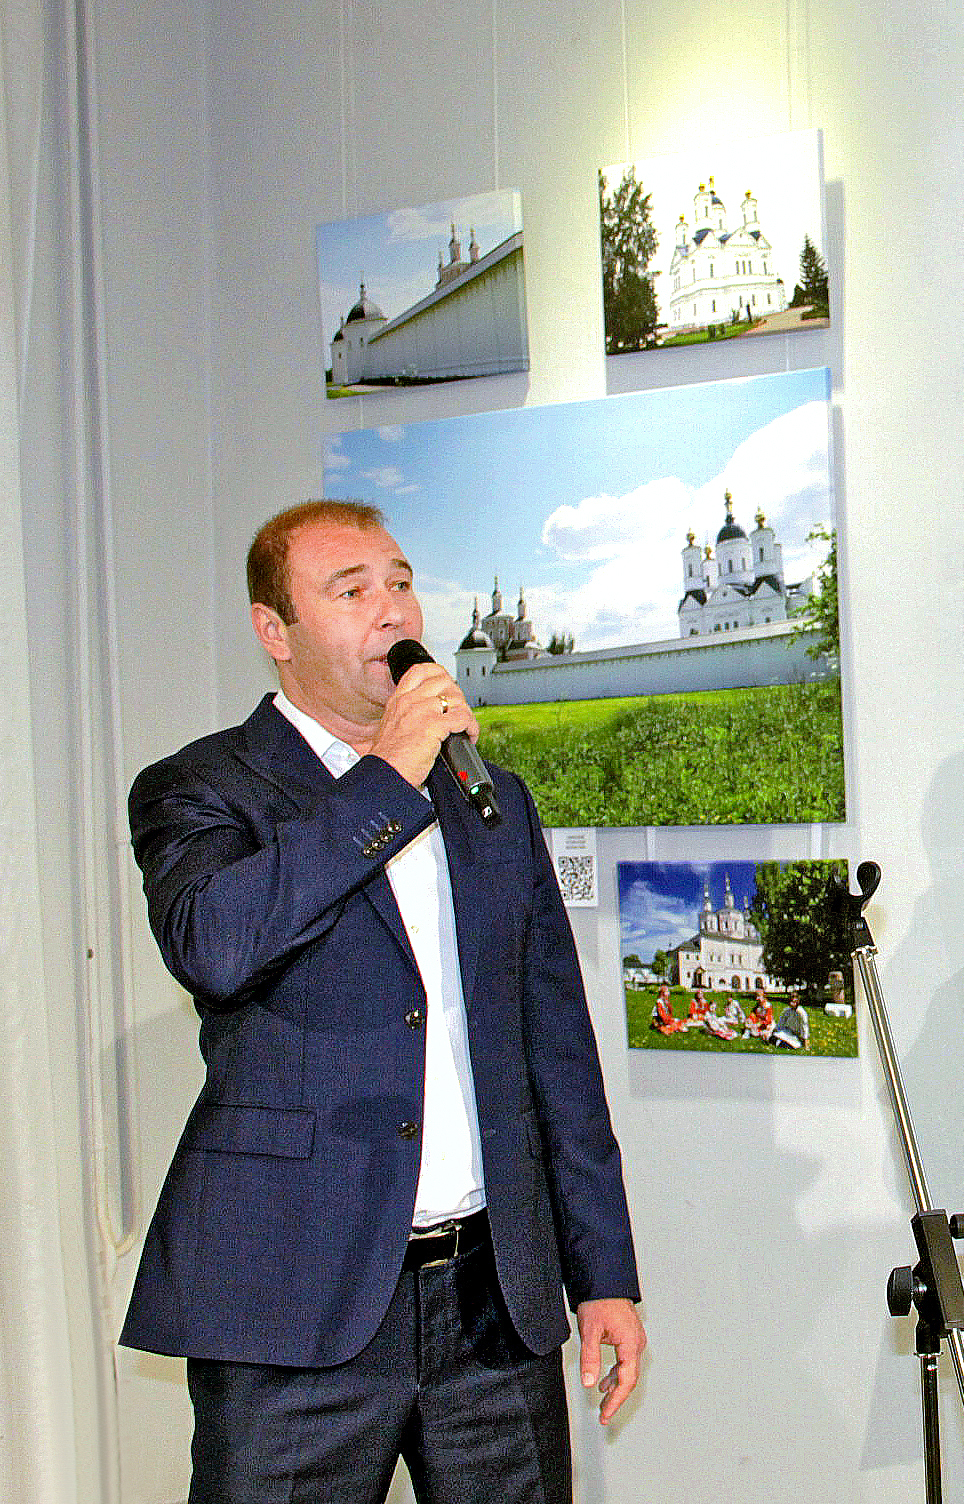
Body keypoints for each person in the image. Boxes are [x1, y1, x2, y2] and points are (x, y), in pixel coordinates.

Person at [122, 500, 645, 1504]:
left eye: (400, 582)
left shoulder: (492, 796)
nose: (391, 609)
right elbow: (216, 948)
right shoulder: (200, 787)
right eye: (351, 590)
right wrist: (388, 776)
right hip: (290, 1311)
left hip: (494, 1303)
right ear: (275, 631)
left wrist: (604, 1274)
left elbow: (555, 1047)